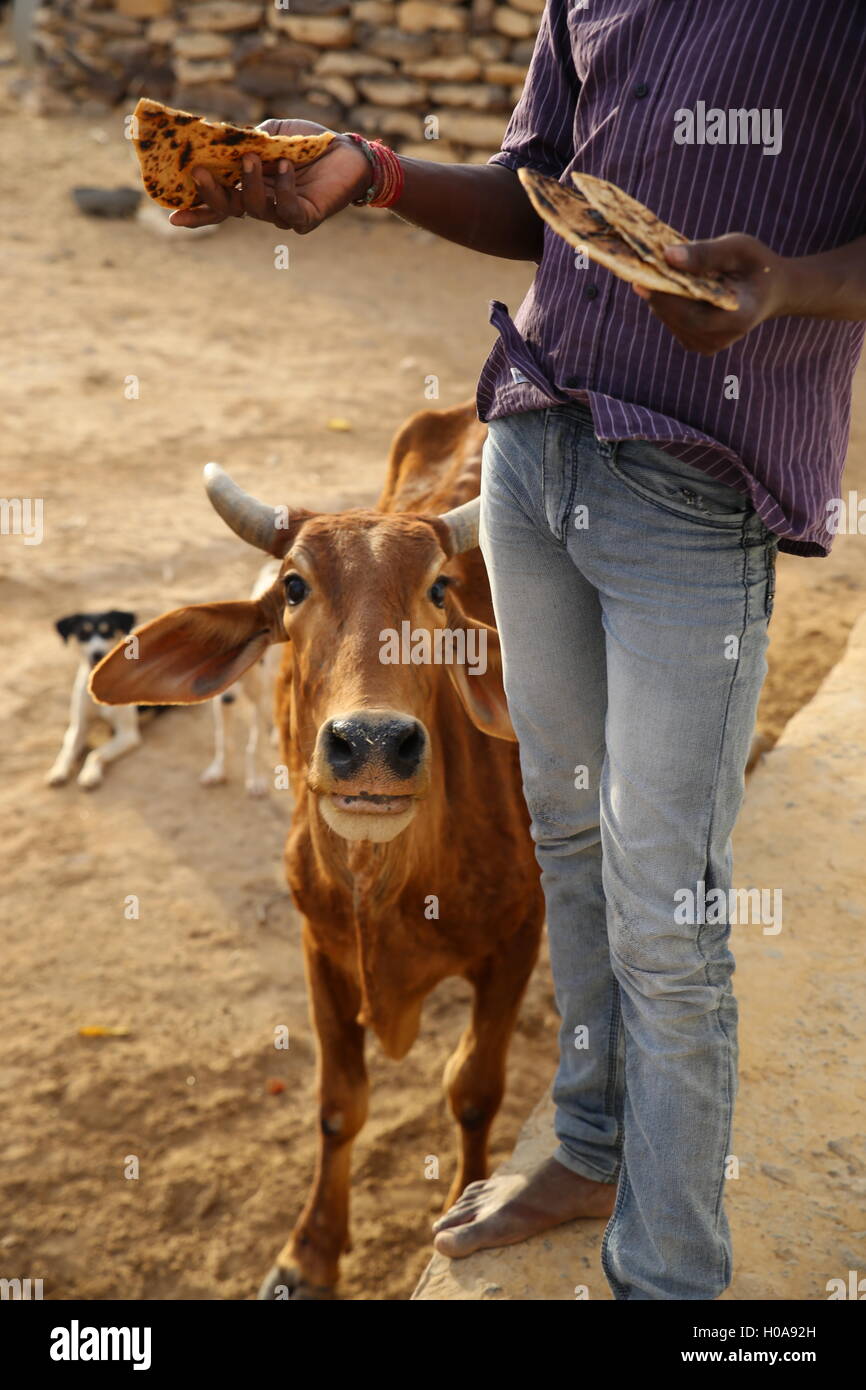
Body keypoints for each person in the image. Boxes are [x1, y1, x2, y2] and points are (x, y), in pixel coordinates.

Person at [174, 1, 866, 1299]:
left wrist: (789, 287)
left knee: (670, 912)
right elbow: (529, 194)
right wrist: (368, 171)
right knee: (561, 837)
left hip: (695, 484)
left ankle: (667, 1277)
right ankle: (591, 1142)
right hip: (527, 459)